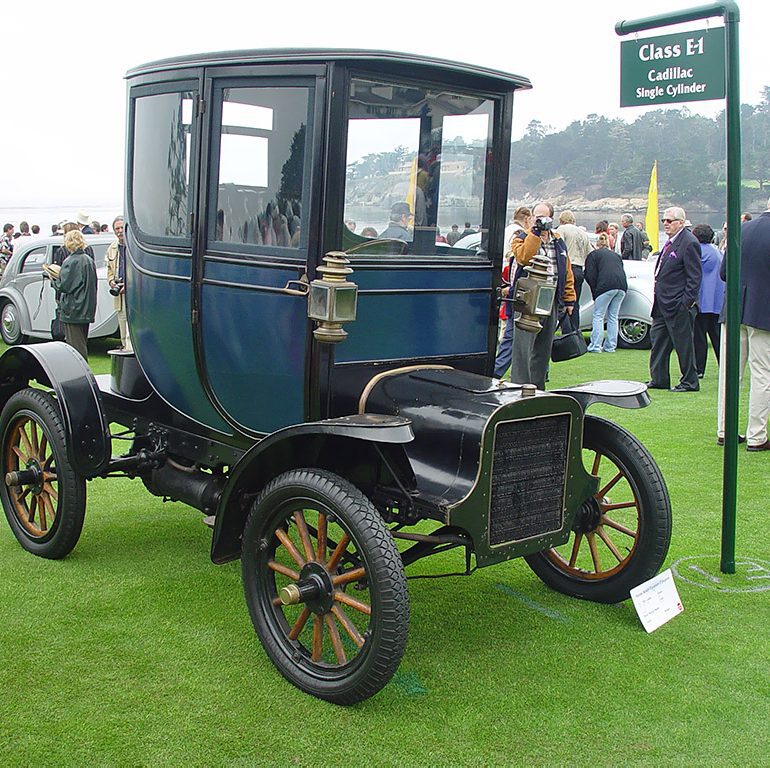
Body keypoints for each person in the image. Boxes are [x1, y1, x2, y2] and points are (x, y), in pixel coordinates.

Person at [717, 198, 770, 450]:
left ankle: (725, 430)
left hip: (734, 307)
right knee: (762, 375)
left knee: (730, 373)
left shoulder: (743, 229)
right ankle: (756, 435)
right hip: (764, 311)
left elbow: (724, 272)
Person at [509, 201, 576, 389]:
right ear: (530, 218)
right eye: (536, 217)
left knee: (543, 347)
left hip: (551, 297)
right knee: (523, 348)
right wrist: (535, 233)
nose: (540, 221)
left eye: (543, 218)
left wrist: (569, 298)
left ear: (552, 219)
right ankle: (519, 387)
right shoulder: (521, 237)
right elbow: (524, 257)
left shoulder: (558, 241)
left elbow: (566, 270)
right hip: (527, 300)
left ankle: (538, 388)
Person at [648, 206, 702, 392]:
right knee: (658, 341)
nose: (665, 224)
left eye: (669, 221)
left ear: (680, 222)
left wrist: (686, 302)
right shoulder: (671, 242)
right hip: (662, 303)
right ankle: (659, 378)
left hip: (678, 304)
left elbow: (694, 277)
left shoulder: (689, 242)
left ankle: (689, 381)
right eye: (664, 220)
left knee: (683, 344)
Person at [45, 229, 97, 361]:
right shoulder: (88, 260)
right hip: (87, 308)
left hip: (73, 310)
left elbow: (64, 286)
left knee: (76, 347)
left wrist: (53, 279)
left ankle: (82, 375)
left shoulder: (71, 261)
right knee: (82, 343)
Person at [494, 206, 533, 378]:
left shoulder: (509, 232)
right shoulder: (521, 236)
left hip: (513, 287)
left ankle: (498, 371)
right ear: (527, 219)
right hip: (519, 293)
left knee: (511, 334)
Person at [584, 232, 627, 352]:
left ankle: (595, 345)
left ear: (596, 244)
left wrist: (595, 291)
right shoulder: (616, 255)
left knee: (598, 315)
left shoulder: (593, 255)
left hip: (605, 286)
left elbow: (590, 275)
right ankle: (610, 346)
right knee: (613, 316)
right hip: (622, 286)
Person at [692, 224, 724, 379]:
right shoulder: (716, 251)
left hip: (703, 299)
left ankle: (699, 368)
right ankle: (724, 366)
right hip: (717, 299)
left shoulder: (698, 251)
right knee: (717, 336)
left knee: (699, 336)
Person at [555, 209, 591, 332]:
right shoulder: (583, 233)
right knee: (575, 303)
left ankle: (565, 332)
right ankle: (574, 331)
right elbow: (589, 254)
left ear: (561, 221)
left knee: (562, 302)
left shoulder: (562, 230)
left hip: (567, 269)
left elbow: (558, 249)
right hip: (579, 269)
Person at [106, 216, 131, 351]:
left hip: (133, 296)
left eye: (122, 228)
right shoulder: (112, 248)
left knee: (132, 332)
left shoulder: (133, 246)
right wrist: (111, 281)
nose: (120, 231)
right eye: (117, 228)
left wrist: (129, 285)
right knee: (122, 329)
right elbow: (109, 269)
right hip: (119, 298)